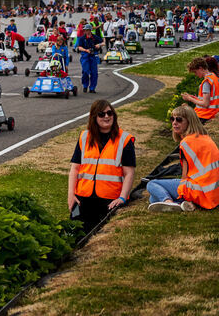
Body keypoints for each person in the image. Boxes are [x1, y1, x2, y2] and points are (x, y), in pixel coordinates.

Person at [67, 100, 135, 232]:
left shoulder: (124, 140)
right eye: (101, 114)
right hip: (82, 197)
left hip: (109, 200)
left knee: (97, 234)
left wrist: (122, 198)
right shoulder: (84, 137)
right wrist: (71, 194)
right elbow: (75, 168)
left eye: (110, 113)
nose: (106, 117)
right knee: (74, 232)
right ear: (94, 117)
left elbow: (129, 173)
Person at [148, 105, 219, 212]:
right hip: (214, 192)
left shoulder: (186, 143)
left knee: (152, 184)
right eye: (173, 119)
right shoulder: (204, 137)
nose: (174, 123)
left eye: (179, 119)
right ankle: (187, 204)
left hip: (200, 190)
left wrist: (182, 191)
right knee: (152, 198)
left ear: (189, 122)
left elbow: (184, 176)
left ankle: (169, 203)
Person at [181, 57, 219, 122]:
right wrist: (195, 98)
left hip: (204, 116)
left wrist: (190, 99)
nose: (195, 74)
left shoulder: (206, 82)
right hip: (213, 114)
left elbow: (205, 104)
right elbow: (210, 99)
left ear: (200, 68)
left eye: (195, 72)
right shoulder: (214, 77)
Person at [75, 25, 104, 93]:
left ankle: (92, 88)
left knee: (94, 73)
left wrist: (99, 45)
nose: (86, 31)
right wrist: (86, 50)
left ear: (90, 30)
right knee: (85, 71)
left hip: (93, 56)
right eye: (85, 30)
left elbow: (103, 42)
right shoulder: (82, 38)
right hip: (85, 55)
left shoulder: (95, 37)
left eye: (87, 30)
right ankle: (85, 86)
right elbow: (79, 47)